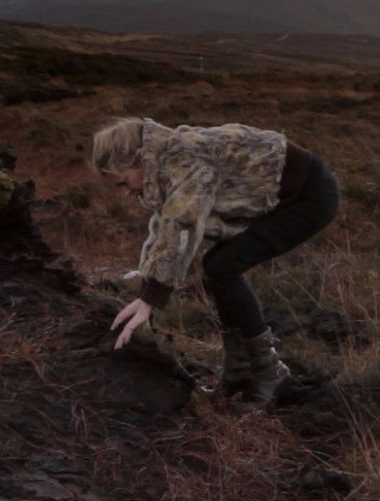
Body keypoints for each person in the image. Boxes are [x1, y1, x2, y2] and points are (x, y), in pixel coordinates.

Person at [92, 117, 341, 406]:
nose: (124, 193)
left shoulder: (183, 156)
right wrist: (147, 288)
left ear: (137, 158)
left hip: (309, 198)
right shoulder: (163, 159)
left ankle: (269, 371)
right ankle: (239, 370)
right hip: (282, 197)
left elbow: (182, 224)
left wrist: (152, 297)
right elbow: (164, 225)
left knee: (224, 266)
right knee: (218, 265)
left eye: (123, 182)